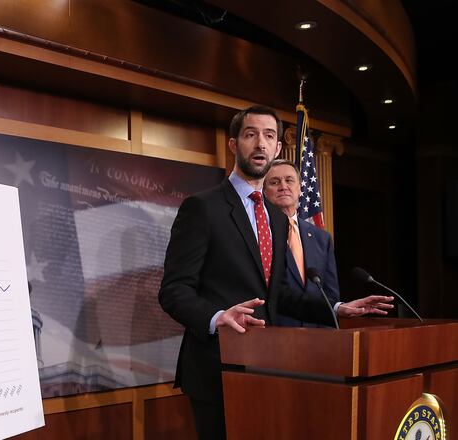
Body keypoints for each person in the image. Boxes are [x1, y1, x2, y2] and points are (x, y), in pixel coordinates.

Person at [158, 105, 393, 440]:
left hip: (269, 367)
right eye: (251, 134)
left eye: (269, 136)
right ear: (233, 144)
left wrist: (336, 308)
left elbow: (279, 294)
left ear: (278, 148)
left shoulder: (278, 218)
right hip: (217, 367)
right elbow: (173, 290)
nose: (260, 144)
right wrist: (217, 317)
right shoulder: (203, 207)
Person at [263, 158, 339, 327]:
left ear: (300, 189)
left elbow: (330, 295)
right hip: (275, 336)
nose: (283, 186)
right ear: (263, 191)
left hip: (318, 338)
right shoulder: (260, 234)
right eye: (274, 182)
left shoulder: (322, 238)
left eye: (289, 180)